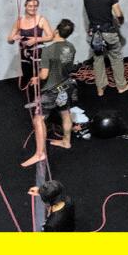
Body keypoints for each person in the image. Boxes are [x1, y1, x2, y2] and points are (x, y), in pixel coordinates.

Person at [21, 19, 78, 167]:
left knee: (38, 119)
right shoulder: (71, 47)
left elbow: (44, 75)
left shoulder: (48, 50)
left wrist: (36, 77)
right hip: (66, 86)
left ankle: (39, 154)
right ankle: (66, 142)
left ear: (56, 31)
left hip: (52, 90)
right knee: (65, 113)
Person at [81, 0, 128, 96]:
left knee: (98, 60)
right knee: (116, 58)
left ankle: (100, 88)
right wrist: (120, 21)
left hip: (94, 34)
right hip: (109, 32)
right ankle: (121, 86)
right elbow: (119, 13)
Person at [7, 0, 52, 90]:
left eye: (35, 6)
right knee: (27, 75)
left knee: (39, 75)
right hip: (25, 54)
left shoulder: (41, 19)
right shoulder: (19, 21)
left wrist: (36, 40)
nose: (33, 8)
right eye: (30, 6)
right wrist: (13, 38)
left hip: (38, 53)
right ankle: (32, 98)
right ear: (25, 6)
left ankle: (42, 98)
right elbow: (9, 40)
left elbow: (50, 36)